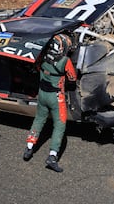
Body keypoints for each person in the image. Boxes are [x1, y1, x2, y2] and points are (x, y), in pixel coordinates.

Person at [23, 33, 77, 172]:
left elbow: (36, 68)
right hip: (56, 97)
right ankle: (52, 156)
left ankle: (29, 147)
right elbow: (72, 78)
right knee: (59, 124)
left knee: (39, 119)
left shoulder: (42, 56)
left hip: (42, 94)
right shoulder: (65, 61)